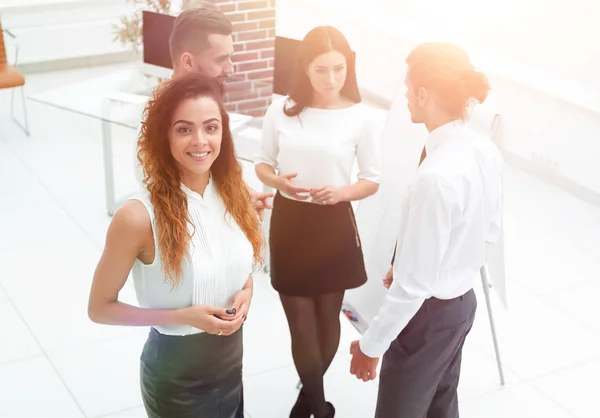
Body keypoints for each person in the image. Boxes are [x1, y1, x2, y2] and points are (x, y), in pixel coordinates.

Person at [88, 74, 264, 418]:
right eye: (184, 129)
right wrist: (182, 317)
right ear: (164, 135)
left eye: (211, 127)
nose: (200, 141)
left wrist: (246, 289)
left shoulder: (234, 193)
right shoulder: (137, 217)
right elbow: (99, 308)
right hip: (176, 378)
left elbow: (235, 267)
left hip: (231, 364)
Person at [349, 42, 504, 418]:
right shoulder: (484, 149)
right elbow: (489, 232)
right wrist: (410, 260)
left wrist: (370, 347)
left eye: (407, 87)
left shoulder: (435, 176)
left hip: (427, 318)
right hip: (461, 307)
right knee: (440, 406)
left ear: (423, 92)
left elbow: (413, 287)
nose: (405, 96)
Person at [255, 26, 382, 418]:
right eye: (322, 69)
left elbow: (372, 179)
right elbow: (262, 162)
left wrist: (343, 193)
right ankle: (318, 407)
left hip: (333, 226)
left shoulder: (361, 117)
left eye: (339, 69)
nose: (331, 79)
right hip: (290, 224)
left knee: (327, 320)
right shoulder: (281, 109)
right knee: (301, 324)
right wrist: (275, 181)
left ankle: (306, 404)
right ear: (305, 69)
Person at [134, 7, 273, 218]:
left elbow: (208, 176)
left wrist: (241, 195)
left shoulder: (203, 105)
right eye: (220, 60)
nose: (231, 69)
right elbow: (171, 200)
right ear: (188, 61)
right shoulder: (157, 124)